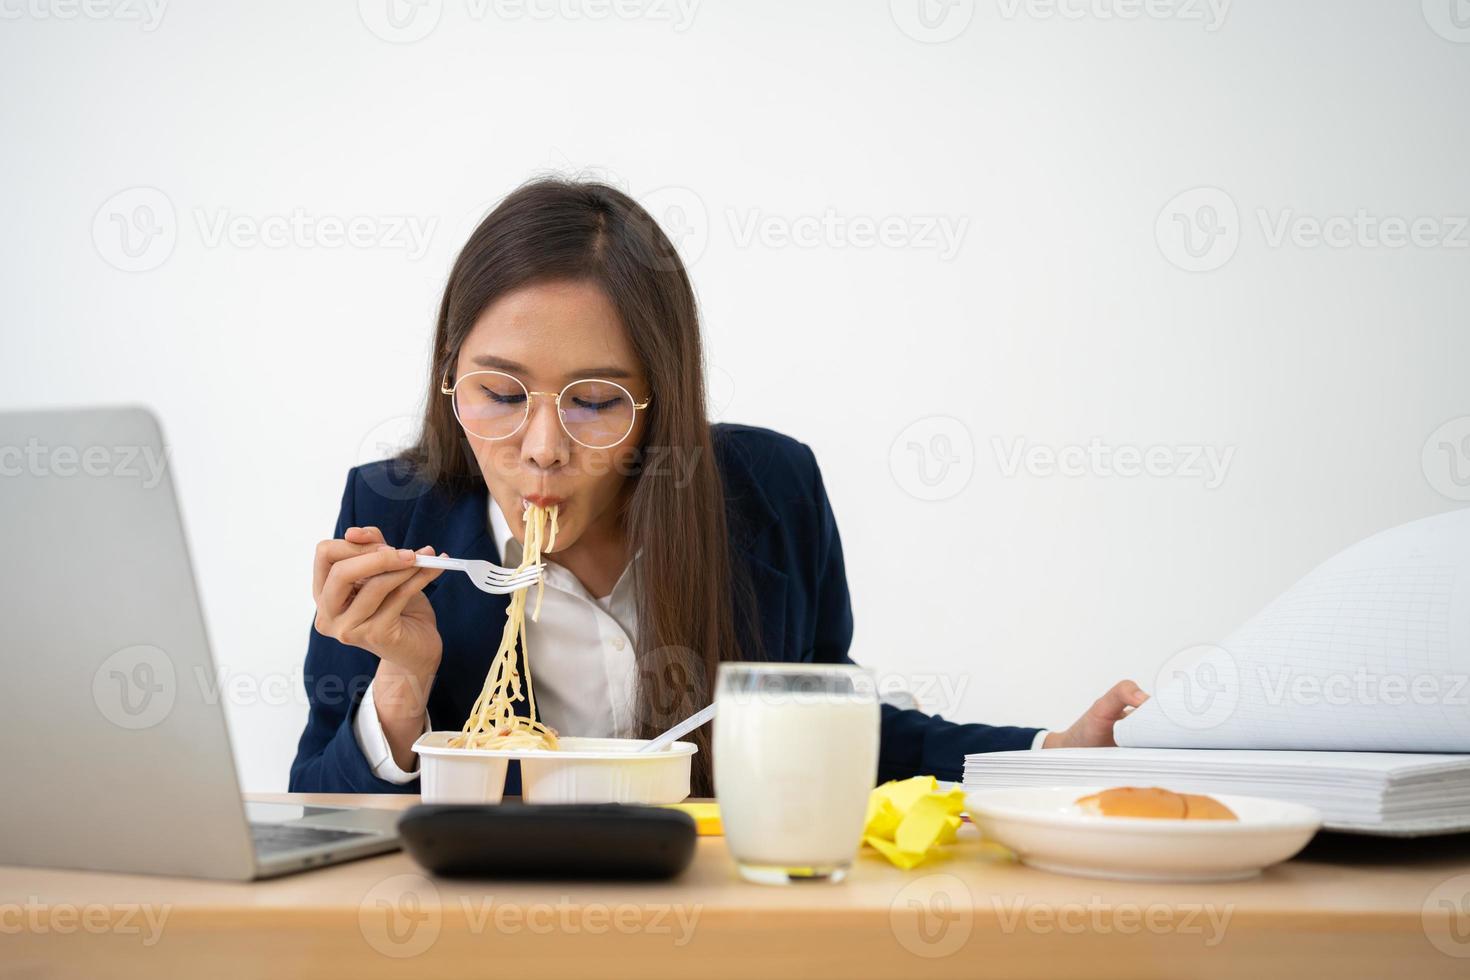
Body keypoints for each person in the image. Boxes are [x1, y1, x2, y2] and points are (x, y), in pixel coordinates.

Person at [290, 178, 1147, 796]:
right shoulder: (395, 511)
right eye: (502, 396)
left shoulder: (768, 493)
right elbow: (317, 806)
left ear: (661, 403)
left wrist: (1051, 753)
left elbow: (831, 731)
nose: (542, 449)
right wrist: (402, 683)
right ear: (451, 381)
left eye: (595, 402)